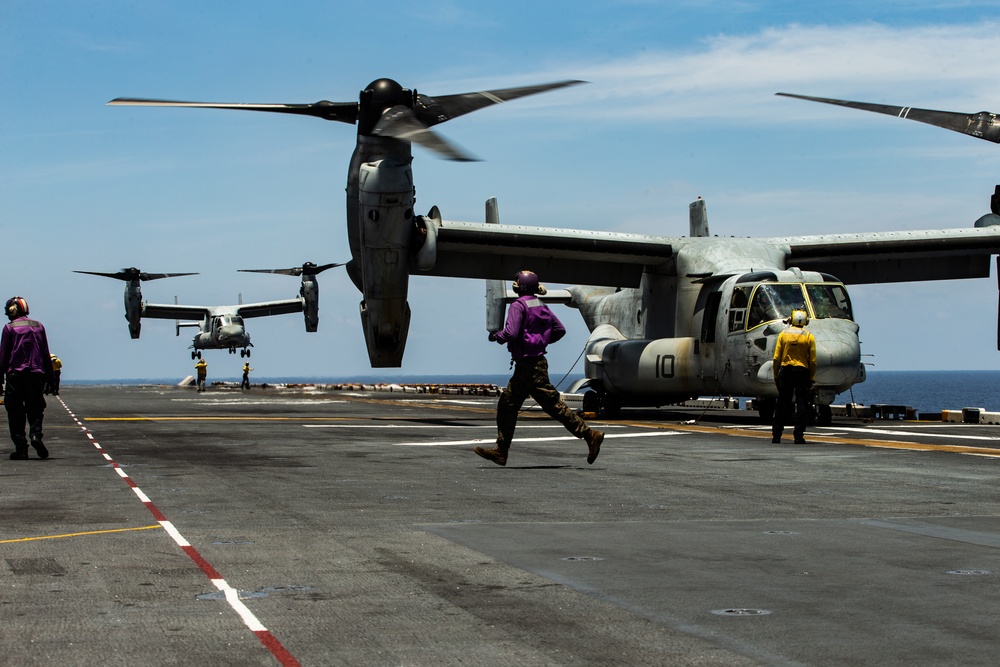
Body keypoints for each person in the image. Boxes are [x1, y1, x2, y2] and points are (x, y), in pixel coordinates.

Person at [474, 270, 604, 466]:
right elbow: (560, 330)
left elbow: (511, 332)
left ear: (521, 286)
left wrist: (496, 336)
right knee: (542, 406)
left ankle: (589, 435)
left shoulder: (518, 306)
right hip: (538, 363)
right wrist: (541, 340)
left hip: (527, 366)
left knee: (513, 405)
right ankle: (588, 435)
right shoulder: (540, 304)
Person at [0, 297, 53, 460]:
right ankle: (36, 435)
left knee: (14, 411)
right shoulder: (39, 326)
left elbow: (3, 356)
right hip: (37, 375)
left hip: (16, 375)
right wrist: (50, 378)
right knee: (36, 408)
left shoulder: (9, 328)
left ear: (12, 310)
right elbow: (45, 353)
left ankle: (21, 448)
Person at [771, 308, 817, 444]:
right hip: (802, 372)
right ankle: (798, 435)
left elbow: (776, 358)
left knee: (782, 403)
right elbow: (813, 360)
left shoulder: (783, 335)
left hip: (786, 370)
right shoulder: (808, 336)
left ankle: (776, 435)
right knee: (802, 403)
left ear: (791, 319)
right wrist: (812, 376)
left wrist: (775, 374)